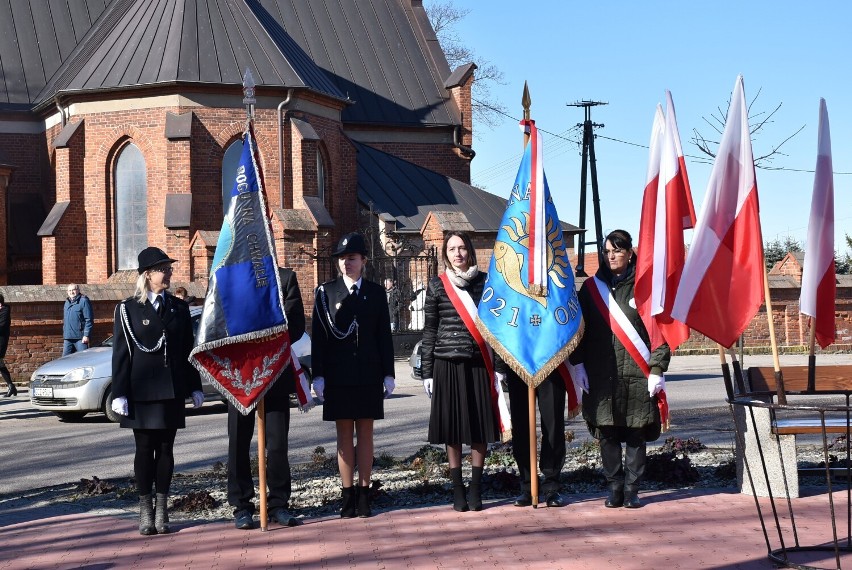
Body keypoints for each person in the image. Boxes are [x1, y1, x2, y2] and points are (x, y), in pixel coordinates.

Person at [569, 229, 670, 509]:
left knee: (636, 433)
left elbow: (660, 333)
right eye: (607, 251)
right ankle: (614, 488)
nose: (611, 256)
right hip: (601, 374)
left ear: (629, 252)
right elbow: (579, 331)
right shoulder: (591, 290)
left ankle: (632, 490)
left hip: (637, 374)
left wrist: (657, 369)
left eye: (617, 250)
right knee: (607, 433)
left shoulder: (644, 287)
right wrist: (578, 364)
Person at [110, 247, 204, 535]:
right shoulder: (128, 309)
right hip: (141, 390)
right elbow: (121, 354)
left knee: (166, 449)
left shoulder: (179, 308)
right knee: (144, 449)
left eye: (168, 267)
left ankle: (162, 511)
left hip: (172, 388)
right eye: (163, 268)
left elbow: (188, 349)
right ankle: (144, 510)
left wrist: (195, 386)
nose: (169, 272)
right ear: (148, 274)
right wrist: (119, 393)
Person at [311, 232, 395, 518]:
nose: (346, 263)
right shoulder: (326, 293)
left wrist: (389, 373)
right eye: (342, 259)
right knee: (344, 434)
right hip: (339, 375)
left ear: (364, 261)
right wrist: (318, 375)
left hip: (369, 373)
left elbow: (383, 334)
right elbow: (320, 338)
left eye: (352, 258)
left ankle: (363, 494)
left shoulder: (375, 292)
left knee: (367, 434)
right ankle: (346, 496)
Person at [421, 231, 499, 512]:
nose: (458, 253)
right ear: (445, 254)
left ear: (470, 251)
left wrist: (499, 369)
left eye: (462, 248)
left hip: (479, 363)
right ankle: (457, 490)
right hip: (446, 364)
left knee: (479, 428)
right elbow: (430, 330)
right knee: (451, 429)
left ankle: (476, 488)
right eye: (452, 249)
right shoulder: (437, 286)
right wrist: (427, 372)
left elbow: (496, 328)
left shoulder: (486, 283)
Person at [228, 267, 305, 530]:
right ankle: (242, 506)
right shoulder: (228, 275)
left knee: (277, 443)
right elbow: (217, 321)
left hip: (274, 370)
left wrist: (266, 341)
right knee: (239, 441)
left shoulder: (285, 278)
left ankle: (278, 503)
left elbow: (296, 325)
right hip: (239, 374)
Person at [498, 366, 568, 508]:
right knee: (521, 425)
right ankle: (528, 485)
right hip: (518, 359)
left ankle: (551, 485)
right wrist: (499, 365)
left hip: (550, 359)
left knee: (553, 423)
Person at [63, 284, 94, 356]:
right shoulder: (67, 302)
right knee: (64, 361)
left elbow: (89, 319)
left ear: (78, 290)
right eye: (69, 290)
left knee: (83, 359)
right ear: (67, 292)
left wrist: (86, 335)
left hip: (80, 338)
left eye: (73, 290)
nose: (71, 292)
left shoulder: (84, 301)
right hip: (68, 338)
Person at [0, 293, 16, 398]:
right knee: (0, 364)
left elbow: (1, 326)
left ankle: (11, 386)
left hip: (1, 341)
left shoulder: (5, 310)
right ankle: (11, 386)